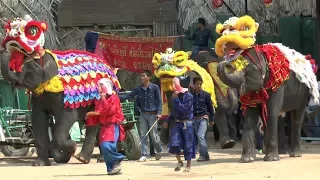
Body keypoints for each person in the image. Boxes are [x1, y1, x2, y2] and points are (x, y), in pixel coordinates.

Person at [85, 78, 126, 175]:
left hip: (112, 126)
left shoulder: (114, 98)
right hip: (104, 127)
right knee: (105, 149)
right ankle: (111, 168)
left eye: (101, 85)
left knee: (106, 146)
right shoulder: (100, 100)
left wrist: (103, 99)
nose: (99, 88)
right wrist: (90, 115)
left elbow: (110, 111)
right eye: (98, 86)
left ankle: (117, 159)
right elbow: (99, 113)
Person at [121, 70, 163, 162]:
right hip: (143, 114)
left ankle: (159, 150)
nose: (141, 78)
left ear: (149, 77)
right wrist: (115, 97)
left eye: (143, 76)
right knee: (143, 135)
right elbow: (129, 96)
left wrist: (159, 112)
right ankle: (144, 154)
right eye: (141, 76)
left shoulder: (155, 88)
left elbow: (159, 101)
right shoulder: (138, 89)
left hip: (153, 114)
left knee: (153, 135)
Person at [163, 76, 196, 172]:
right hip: (177, 123)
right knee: (174, 144)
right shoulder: (175, 95)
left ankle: (188, 165)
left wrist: (177, 100)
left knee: (188, 144)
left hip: (187, 123)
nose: (173, 85)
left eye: (175, 83)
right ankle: (180, 161)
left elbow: (184, 110)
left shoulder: (188, 96)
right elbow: (174, 111)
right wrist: (167, 121)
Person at [192, 76, 215, 161]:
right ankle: (206, 155)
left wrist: (212, 119)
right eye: (197, 84)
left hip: (203, 118)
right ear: (193, 85)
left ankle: (202, 155)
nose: (199, 86)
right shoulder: (191, 96)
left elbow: (210, 108)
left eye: (200, 84)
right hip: (195, 119)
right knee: (202, 138)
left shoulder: (206, 95)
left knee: (200, 136)